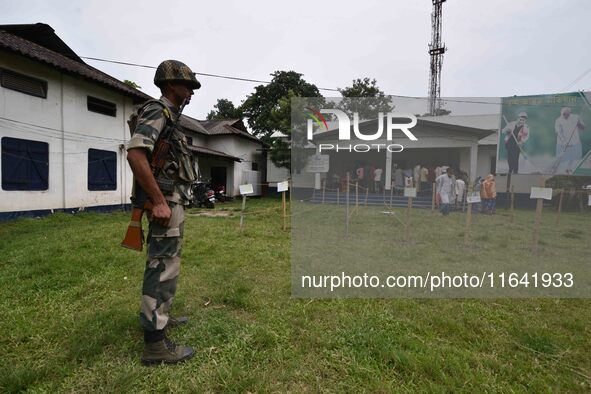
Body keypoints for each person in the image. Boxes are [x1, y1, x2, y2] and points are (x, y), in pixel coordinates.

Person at [126, 60, 201, 365]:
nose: (191, 92)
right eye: (188, 86)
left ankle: (161, 316)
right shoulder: (158, 110)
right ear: (171, 85)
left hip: (171, 201)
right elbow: (135, 153)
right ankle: (154, 345)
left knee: (168, 264)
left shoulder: (171, 116)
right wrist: (157, 201)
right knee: (161, 267)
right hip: (164, 203)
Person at [554, 107, 585, 174]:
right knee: (563, 159)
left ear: (570, 113)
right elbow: (558, 132)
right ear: (561, 114)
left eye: (567, 114)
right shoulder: (558, 120)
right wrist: (564, 142)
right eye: (563, 114)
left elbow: (583, 127)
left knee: (574, 158)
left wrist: (579, 123)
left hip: (575, 141)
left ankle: (570, 170)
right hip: (562, 143)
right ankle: (562, 170)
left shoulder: (576, 117)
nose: (565, 116)